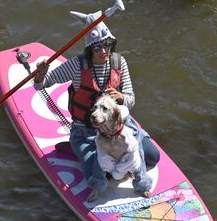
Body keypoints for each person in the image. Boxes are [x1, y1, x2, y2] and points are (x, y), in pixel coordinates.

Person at [35, 12, 161, 200]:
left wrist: (121, 97)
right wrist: (40, 74)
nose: (104, 52)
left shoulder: (119, 62)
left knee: (152, 156)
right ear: (89, 49)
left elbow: (131, 100)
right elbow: (42, 85)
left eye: (107, 46)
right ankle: (77, 147)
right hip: (86, 130)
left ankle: (115, 160)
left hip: (118, 127)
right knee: (98, 170)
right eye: (98, 48)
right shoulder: (77, 65)